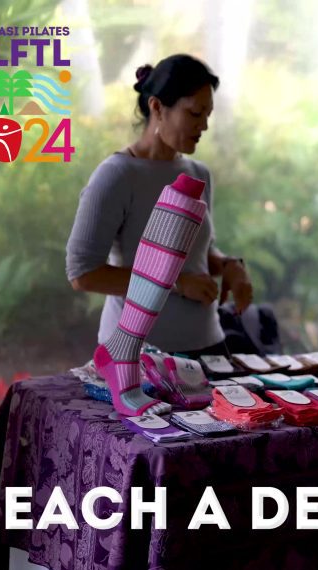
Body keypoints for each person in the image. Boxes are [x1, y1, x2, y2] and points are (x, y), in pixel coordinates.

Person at [66, 55, 253, 414]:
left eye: (208, 115)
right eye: (195, 113)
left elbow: (197, 253)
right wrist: (177, 284)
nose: (204, 126)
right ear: (157, 108)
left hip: (208, 349)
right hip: (137, 357)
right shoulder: (117, 176)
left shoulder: (198, 174)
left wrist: (230, 266)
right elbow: (83, 274)